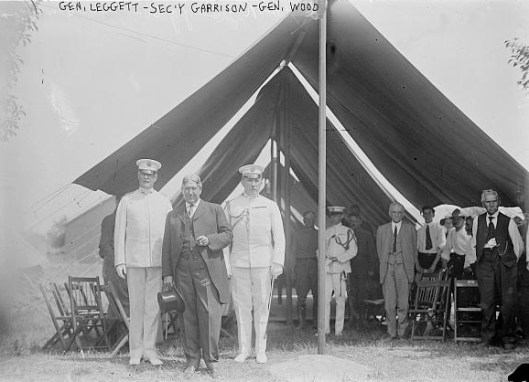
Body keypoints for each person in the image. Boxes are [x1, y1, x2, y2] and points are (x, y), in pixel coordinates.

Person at [162, 175, 232, 377]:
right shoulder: (173, 215)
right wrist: (167, 274)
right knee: (187, 315)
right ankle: (192, 360)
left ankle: (211, 361)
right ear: (182, 191)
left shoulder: (214, 209)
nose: (190, 192)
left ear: (200, 189)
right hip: (182, 272)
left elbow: (228, 235)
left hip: (207, 271)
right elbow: (167, 247)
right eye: (187, 189)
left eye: (194, 188)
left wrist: (209, 239)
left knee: (209, 314)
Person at [224, 164, 285, 364]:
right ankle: (244, 349)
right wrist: (227, 264)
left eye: (256, 180)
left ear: (261, 182)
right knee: (242, 307)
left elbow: (280, 237)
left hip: (263, 262)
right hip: (239, 262)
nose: (252, 184)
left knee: (261, 306)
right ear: (242, 181)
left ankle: (260, 350)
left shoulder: (270, 205)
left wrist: (277, 261)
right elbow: (225, 238)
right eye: (248, 180)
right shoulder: (232, 205)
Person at [114, 159, 173, 366]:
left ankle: (150, 350)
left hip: (157, 262)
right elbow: (119, 232)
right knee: (136, 306)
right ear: (138, 175)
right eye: (143, 174)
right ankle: (135, 351)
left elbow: (169, 235)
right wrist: (120, 261)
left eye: (151, 174)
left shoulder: (164, 201)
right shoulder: (127, 200)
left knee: (152, 307)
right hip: (135, 261)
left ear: (156, 177)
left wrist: (168, 264)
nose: (147, 177)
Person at [472, 189, 524, 349]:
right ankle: (488, 338)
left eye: (494, 201)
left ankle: (508, 339)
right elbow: (474, 242)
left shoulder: (508, 221)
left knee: (508, 303)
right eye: (488, 202)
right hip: (485, 264)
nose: (491, 204)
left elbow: (519, 246)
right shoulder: (477, 220)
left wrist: (508, 261)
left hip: (504, 264)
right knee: (487, 303)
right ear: (483, 204)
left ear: (498, 202)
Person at [376, 201, 418, 340]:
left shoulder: (410, 228)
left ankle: (402, 333)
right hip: (388, 268)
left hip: (403, 268)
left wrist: (409, 269)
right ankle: (391, 333)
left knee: (403, 303)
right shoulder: (382, 229)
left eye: (399, 212)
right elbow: (379, 250)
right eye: (394, 212)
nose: (396, 215)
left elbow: (413, 251)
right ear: (389, 213)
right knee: (389, 303)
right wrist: (387, 263)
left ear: (404, 214)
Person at [324, 206, 358, 336]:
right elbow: (320, 250)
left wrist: (339, 258)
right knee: (325, 299)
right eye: (332, 215)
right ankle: (325, 329)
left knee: (340, 299)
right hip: (327, 269)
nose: (334, 217)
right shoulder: (326, 232)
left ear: (342, 216)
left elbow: (353, 250)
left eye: (337, 215)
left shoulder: (348, 231)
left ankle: (339, 330)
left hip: (340, 269)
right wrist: (324, 259)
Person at [344, 212, 376, 328]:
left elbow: (372, 253)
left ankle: (362, 318)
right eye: (351, 221)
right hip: (349, 266)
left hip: (362, 266)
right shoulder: (346, 234)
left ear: (360, 222)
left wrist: (371, 268)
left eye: (355, 221)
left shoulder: (367, 235)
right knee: (351, 293)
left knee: (361, 294)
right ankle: (352, 317)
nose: (353, 223)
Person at [99, 195, 129, 313]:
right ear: (116, 202)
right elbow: (105, 246)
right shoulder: (109, 220)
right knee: (118, 304)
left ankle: (122, 330)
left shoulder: (130, 221)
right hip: (113, 268)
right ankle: (117, 329)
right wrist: (119, 262)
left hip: (127, 269)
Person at [292, 211, 318, 329]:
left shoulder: (319, 234)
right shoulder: (297, 234)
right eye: (306, 219)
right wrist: (292, 269)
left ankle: (316, 322)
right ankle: (301, 323)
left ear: (314, 220)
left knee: (317, 295)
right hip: (301, 265)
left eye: (311, 219)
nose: (308, 221)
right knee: (301, 295)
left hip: (314, 265)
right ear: (303, 220)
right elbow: (292, 252)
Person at [441, 209, 475, 279]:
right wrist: (444, 263)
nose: (455, 220)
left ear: (463, 219)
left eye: (458, 218)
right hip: (456, 261)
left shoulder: (468, 232)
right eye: (453, 218)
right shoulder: (451, 231)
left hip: (468, 262)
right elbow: (447, 249)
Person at [416, 206, 445, 274]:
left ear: (433, 215)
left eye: (429, 213)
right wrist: (417, 265)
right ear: (423, 215)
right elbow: (416, 249)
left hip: (435, 258)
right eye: (425, 213)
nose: (427, 215)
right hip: (422, 258)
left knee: (434, 283)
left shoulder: (439, 229)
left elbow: (440, 249)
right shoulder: (419, 231)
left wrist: (433, 266)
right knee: (420, 282)